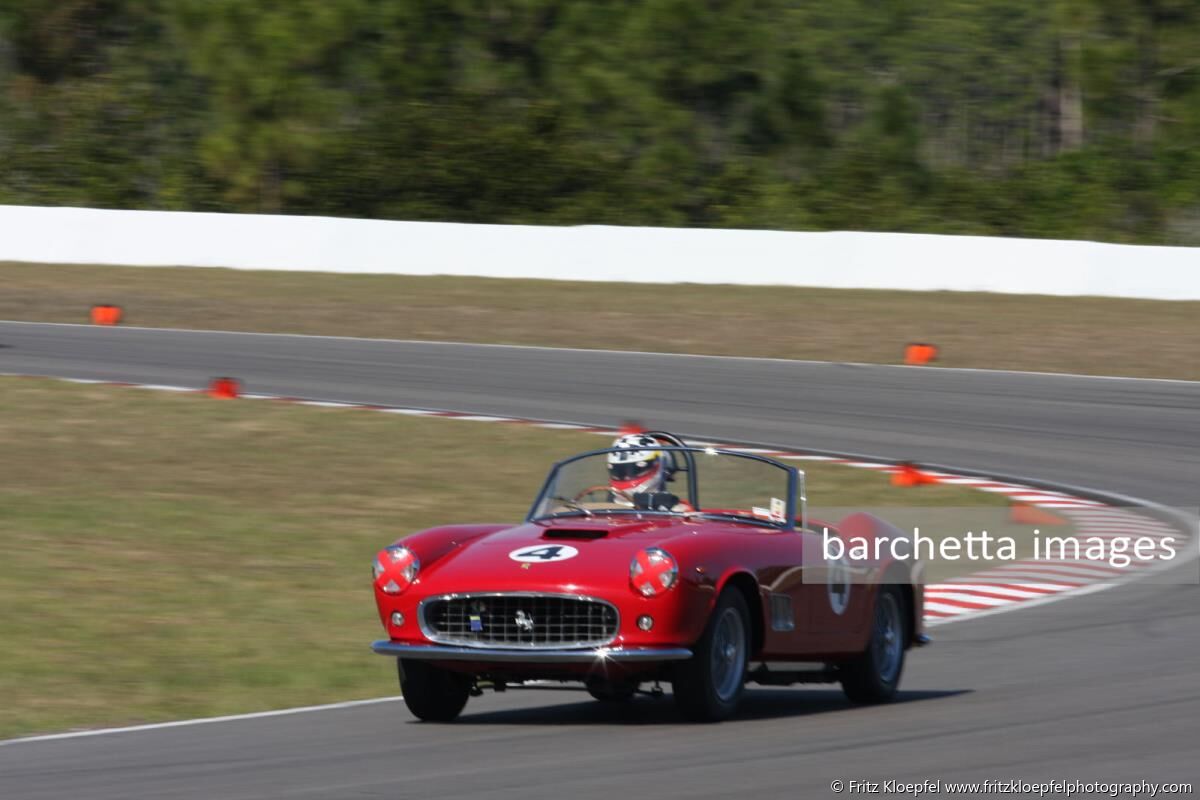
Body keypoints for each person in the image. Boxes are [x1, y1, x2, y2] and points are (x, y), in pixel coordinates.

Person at [606, 433, 685, 510]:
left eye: (635, 469)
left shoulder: (677, 509)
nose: (626, 476)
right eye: (618, 471)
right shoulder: (605, 509)